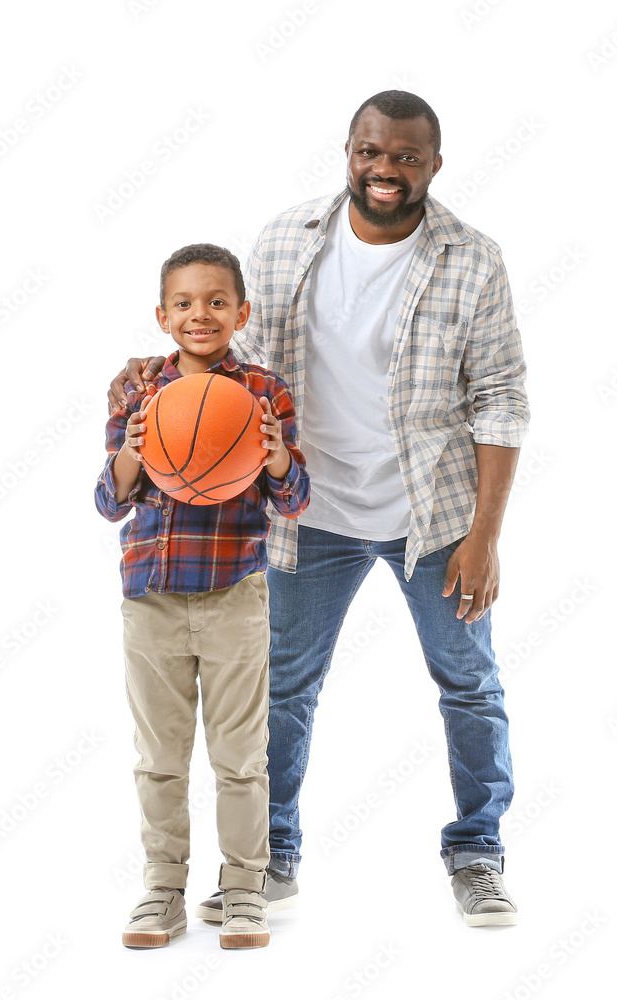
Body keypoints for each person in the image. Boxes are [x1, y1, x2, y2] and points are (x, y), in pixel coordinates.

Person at [108, 91, 530, 928]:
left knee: (469, 684)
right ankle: (270, 858)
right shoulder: (285, 240)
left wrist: (484, 537)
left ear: (432, 166)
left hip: (433, 516)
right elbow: (234, 362)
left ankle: (477, 852)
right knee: (284, 689)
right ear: (349, 151)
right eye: (371, 151)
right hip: (309, 511)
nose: (386, 169)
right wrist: (152, 374)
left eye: (406, 157)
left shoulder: (474, 260)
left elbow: (502, 400)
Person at [95, 244, 310, 949]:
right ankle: (162, 891)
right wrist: (134, 447)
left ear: (241, 312)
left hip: (234, 597)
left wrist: (274, 453)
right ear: (162, 315)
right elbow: (108, 502)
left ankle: (244, 890)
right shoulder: (137, 391)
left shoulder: (265, 391)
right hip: (150, 596)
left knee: (241, 756)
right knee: (159, 755)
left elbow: (296, 499)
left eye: (217, 302)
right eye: (184, 303)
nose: (200, 315)